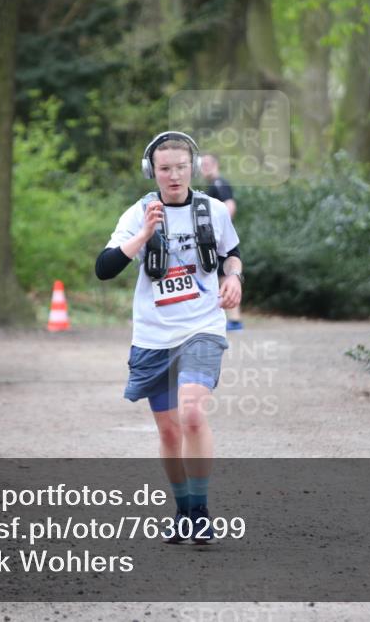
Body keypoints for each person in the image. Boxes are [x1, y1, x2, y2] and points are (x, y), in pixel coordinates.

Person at [94, 131, 243, 545]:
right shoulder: (137, 213)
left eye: (181, 167)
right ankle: (182, 510)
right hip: (154, 336)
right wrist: (143, 235)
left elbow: (232, 253)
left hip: (202, 327)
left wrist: (234, 277)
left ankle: (200, 510)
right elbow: (104, 268)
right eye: (165, 169)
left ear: (191, 168)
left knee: (192, 414)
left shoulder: (212, 210)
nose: (174, 175)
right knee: (169, 432)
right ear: (152, 172)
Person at [200, 154, 243, 331]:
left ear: (216, 164)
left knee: (226, 274)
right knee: (222, 276)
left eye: (208, 164)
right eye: (202, 165)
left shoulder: (219, 183)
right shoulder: (213, 185)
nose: (205, 167)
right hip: (213, 239)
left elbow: (230, 206)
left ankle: (234, 320)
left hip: (216, 241)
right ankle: (233, 319)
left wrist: (218, 232)